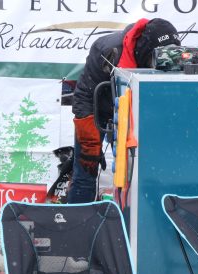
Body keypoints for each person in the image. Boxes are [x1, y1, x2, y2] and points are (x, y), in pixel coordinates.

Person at [68, 18, 181, 204]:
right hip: (101, 108)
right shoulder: (107, 50)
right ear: (144, 50)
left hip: (141, 114)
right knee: (85, 173)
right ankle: (76, 227)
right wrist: (90, 142)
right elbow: (84, 96)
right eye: (156, 57)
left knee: (142, 174)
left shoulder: (174, 56)